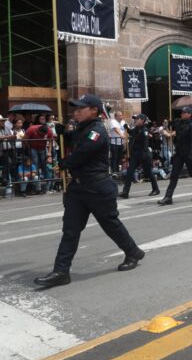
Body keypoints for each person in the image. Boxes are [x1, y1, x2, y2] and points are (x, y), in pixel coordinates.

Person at [34, 94, 145, 288]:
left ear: (94, 110)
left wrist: (65, 163)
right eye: (75, 109)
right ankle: (61, 271)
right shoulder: (82, 129)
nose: (75, 112)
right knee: (70, 230)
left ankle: (133, 252)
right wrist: (64, 133)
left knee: (110, 224)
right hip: (78, 188)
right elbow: (75, 139)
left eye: (80, 109)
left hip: (97, 188)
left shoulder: (97, 131)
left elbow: (83, 152)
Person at [157, 107, 192, 205]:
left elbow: (189, 140)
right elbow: (169, 125)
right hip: (179, 153)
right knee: (174, 174)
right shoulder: (179, 122)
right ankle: (168, 197)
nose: (182, 114)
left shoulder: (191, 126)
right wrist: (169, 122)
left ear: (189, 114)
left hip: (188, 153)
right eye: (181, 112)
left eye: (184, 112)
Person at [119, 114, 160, 199]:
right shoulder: (136, 129)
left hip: (143, 155)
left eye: (137, 119)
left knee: (149, 172)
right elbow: (131, 132)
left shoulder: (144, 130)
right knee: (130, 172)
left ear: (142, 120)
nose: (135, 120)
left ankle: (156, 189)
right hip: (136, 155)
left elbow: (145, 143)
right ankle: (125, 192)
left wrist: (144, 155)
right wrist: (126, 127)